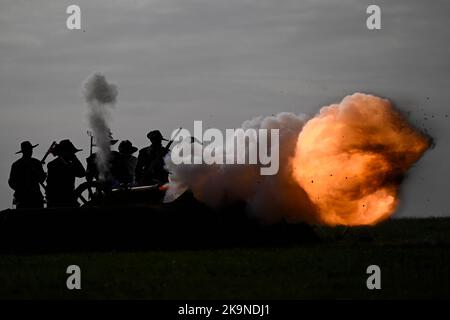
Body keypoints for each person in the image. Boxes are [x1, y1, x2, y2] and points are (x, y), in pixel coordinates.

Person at [46, 139, 86, 208]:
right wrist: (74, 158)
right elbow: (82, 173)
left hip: (55, 202)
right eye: (71, 153)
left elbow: (82, 173)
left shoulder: (52, 164)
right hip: (64, 201)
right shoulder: (67, 166)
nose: (72, 154)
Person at [8, 141, 46, 209]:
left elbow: (11, 182)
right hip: (32, 198)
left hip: (27, 198)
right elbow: (42, 179)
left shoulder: (16, 164)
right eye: (29, 149)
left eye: (31, 150)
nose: (31, 151)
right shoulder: (36, 163)